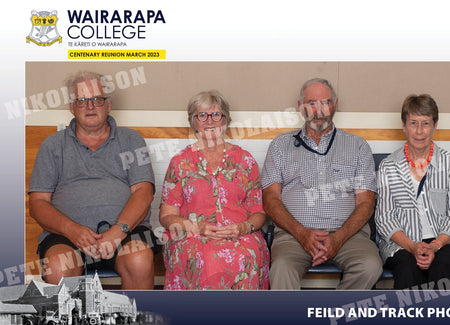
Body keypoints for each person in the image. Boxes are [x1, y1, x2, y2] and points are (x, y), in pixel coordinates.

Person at [28, 71, 160, 289]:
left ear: (108, 105)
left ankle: (138, 321)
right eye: (82, 101)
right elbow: (38, 203)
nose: (90, 106)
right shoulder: (52, 145)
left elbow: (143, 192)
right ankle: (70, 324)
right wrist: (72, 230)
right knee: (59, 267)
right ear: (72, 107)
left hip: (126, 233)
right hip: (66, 236)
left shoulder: (131, 139)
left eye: (97, 99)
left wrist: (117, 232)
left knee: (139, 260)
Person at [262, 78, 382, 290]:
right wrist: (301, 233)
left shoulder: (357, 146)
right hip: (293, 235)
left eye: (325, 102)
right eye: (311, 103)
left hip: (348, 235)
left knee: (370, 266)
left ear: (335, 105)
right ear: (300, 107)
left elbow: (366, 203)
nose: (319, 110)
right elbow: (270, 199)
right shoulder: (280, 145)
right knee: (281, 268)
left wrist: (338, 239)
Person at [159, 90, 270, 290]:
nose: (210, 121)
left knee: (248, 255)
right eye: (202, 115)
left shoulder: (245, 160)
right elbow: (167, 216)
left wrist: (243, 227)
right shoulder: (180, 162)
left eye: (216, 115)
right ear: (193, 122)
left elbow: (259, 213)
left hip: (240, 234)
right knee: (207, 259)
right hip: (192, 235)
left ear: (226, 120)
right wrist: (196, 227)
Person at [375, 94, 450, 290]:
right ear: (404, 125)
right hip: (403, 244)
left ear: (435, 125)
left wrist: (435, 245)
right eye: (413, 123)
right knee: (408, 267)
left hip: (445, 242)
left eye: (425, 123)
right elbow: (385, 219)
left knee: (443, 265)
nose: (419, 131)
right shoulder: (388, 166)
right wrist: (412, 247)